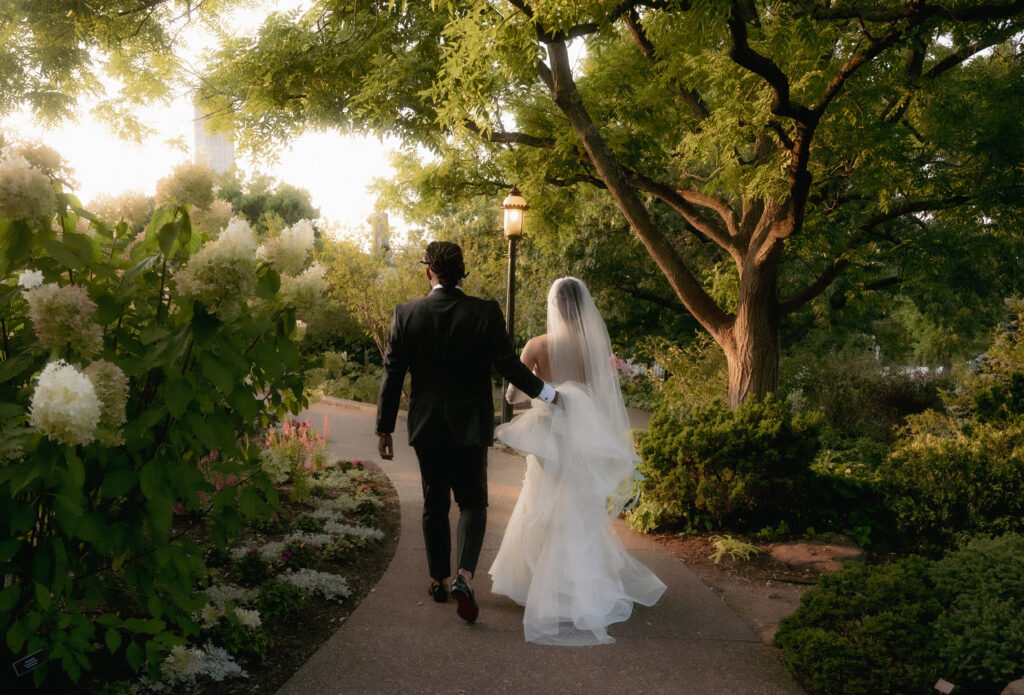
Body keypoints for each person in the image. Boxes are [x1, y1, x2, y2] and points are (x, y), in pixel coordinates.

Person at [375, 241, 558, 623]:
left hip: (427, 426)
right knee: (473, 503)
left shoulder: (406, 314)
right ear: (463, 273)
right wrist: (550, 393)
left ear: (429, 272)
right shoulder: (485, 312)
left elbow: (393, 375)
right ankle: (464, 576)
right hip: (471, 426)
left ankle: (438, 579)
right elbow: (510, 366)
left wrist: (385, 428)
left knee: (434, 502)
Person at [489, 277, 666, 645]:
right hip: (583, 436)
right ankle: (581, 585)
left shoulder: (537, 345)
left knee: (541, 502)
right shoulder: (594, 346)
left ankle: (536, 583)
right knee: (579, 508)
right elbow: (603, 398)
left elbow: (512, 395)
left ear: (552, 305)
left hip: (549, 437)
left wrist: (541, 401)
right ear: (582, 305)